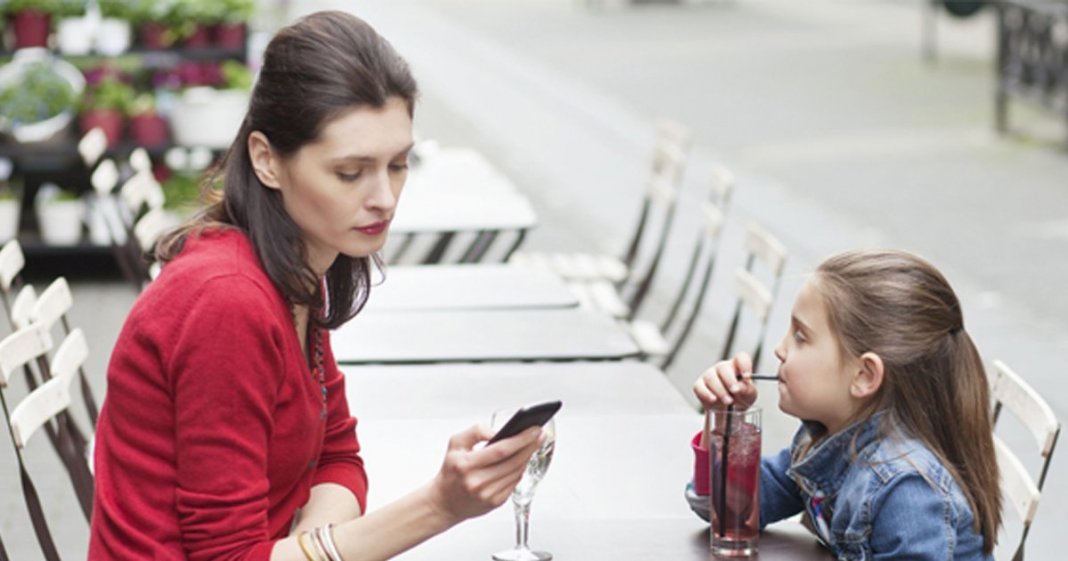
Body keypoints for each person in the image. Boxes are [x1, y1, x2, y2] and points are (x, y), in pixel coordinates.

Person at [89, 11, 542, 561]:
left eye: (399, 165)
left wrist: (307, 548)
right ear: (266, 160)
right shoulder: (227, 300)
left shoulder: (296, 266)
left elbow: (337, 456)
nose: (384, 197)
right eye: (350, 173)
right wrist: (440, 506)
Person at [686, 250, 1001, 560]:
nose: (779, 349)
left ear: (864, 376)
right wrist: (725, 421)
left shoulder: (906, 488)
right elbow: (730, 512)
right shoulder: (824, 443)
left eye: (800, 336)